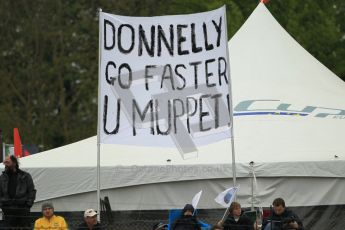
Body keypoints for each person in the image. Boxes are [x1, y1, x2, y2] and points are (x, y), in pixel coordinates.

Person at [0, 155, 36, 229]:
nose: (5, 165)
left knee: (25, 228)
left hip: (23, 208)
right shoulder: (2, 177)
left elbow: (31, 191)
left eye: (7, 162)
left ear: (14, 163)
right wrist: (2, 205)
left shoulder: (25, 176)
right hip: (8, 209)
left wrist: (28, 204)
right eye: (4, 163)